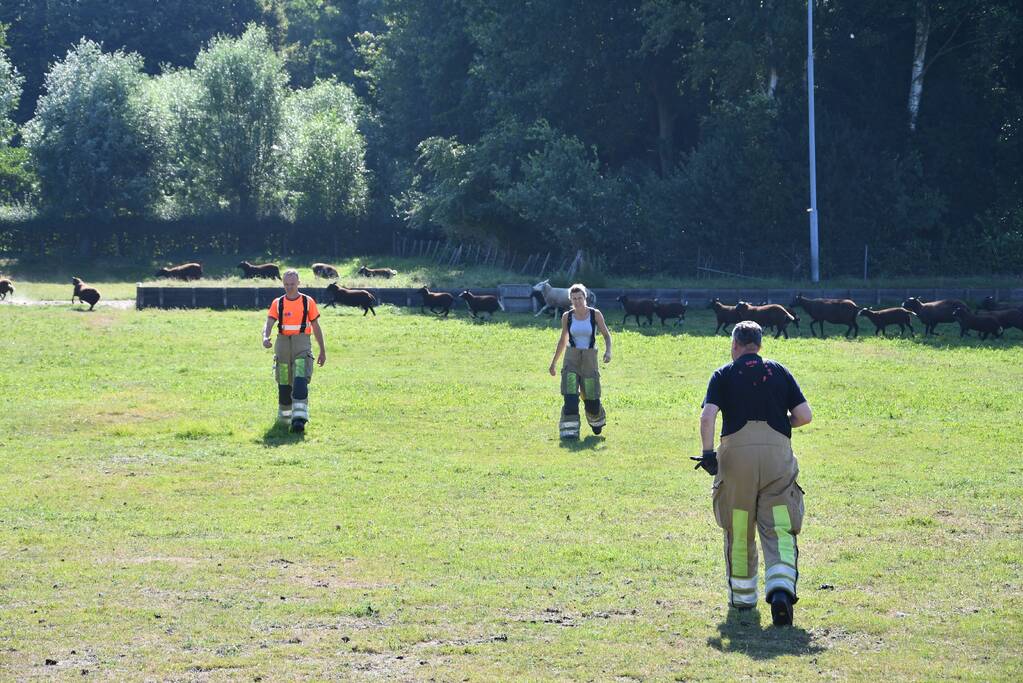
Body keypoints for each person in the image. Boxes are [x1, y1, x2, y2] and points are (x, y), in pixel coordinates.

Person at [693, 320, 812, 626]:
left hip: (737, 459)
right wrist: (781, 420)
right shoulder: (779, 371)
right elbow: (804, 416)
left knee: (740, 523)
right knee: (781, 526)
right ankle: (782, 588)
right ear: (759, 345)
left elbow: (708, 417)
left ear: (735, 345)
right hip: (777, 456)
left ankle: (744, 598)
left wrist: (708, 454)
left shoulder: (724, 374)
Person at [262, 269, 327, 432]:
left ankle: (299, 419)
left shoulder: (308, 302)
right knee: (284, 383)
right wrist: (265, 336)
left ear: (298, 283)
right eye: (286, 284)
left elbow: (316, 326)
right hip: (282, 346)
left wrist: (322, 350)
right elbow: (269, 322)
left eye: (292, 284)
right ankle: (284, 418)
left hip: (302, 345)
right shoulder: (278, 302)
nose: (289, 287)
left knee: (299, 381)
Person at [548, 284, 612, 439]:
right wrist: (554, 363)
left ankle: (596, 421)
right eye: (574, 298)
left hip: (589, 360)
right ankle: (570, 433)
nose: (577, 301)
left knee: (592, 399)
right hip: (571, 358)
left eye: (580, 298)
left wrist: (608, 351)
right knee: (570, 397)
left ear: (585, 298)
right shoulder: (567, 316)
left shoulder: (595, 314)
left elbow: (606, 335)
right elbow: (563, 340)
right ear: (570, 299)